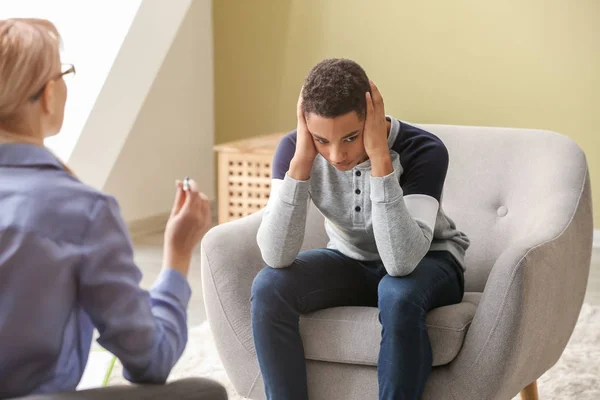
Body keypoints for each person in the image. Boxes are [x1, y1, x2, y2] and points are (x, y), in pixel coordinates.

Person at [0, 18, 217, 398]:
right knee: (204, 392)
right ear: (49, 94)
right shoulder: (83, 211)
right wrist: (178, 256)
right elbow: (151, 360)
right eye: (64, 73)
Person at [251, 58, 470, 399]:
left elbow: (401, 262)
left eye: (350, 137)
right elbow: (275, 254)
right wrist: (301, 163)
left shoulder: (424, 150)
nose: (336, 155)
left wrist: (380, 159)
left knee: (397, 293)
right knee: (269, 285)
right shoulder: (297, 151)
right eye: (322, 140)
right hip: (350, 260)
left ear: (371, 117)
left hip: (429, 261)